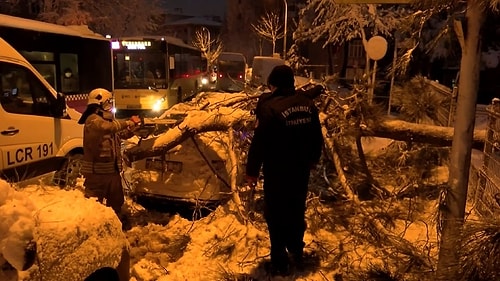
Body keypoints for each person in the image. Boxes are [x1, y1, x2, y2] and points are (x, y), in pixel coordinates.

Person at [245, 65, 324, 276]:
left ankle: (280, 260)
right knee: (296, 209)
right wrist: (313, 159)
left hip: (277, 171)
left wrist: (251, 171)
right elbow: (316, 135)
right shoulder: (307, 104)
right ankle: (296, 249)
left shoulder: (269, 108)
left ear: (274, 84)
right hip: (300, 171)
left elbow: (259, 143)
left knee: (276, 214)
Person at [78, 88, 140, 225]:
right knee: (94, 208)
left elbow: (118, 134)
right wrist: (128, 122)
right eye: (109, 102)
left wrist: (134, 130)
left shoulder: (107, 121)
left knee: (116, 204)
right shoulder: (92, 120)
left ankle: (116, 229)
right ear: (101, 102)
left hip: (112, 173)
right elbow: (108, 128)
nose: (110, 105)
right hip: (96, 176)